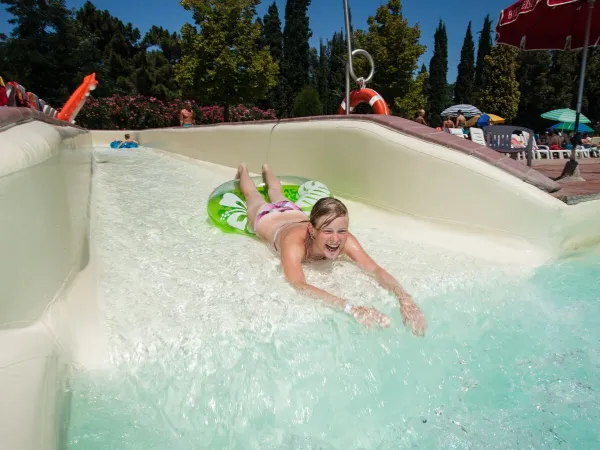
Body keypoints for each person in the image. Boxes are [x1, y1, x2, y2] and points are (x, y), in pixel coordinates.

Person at [234, 163, 428, 334]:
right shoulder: (294, 244)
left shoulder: (345, 240)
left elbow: (375, 270)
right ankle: (243, 169)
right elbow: (298, 284)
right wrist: (351, 308)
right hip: (267, 218)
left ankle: (267, 169)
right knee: (253, 195)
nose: (335, 239)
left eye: (341, 230)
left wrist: (405, 300)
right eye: (327, 231)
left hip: (292, 212)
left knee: (277, 193)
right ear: (312, 230)